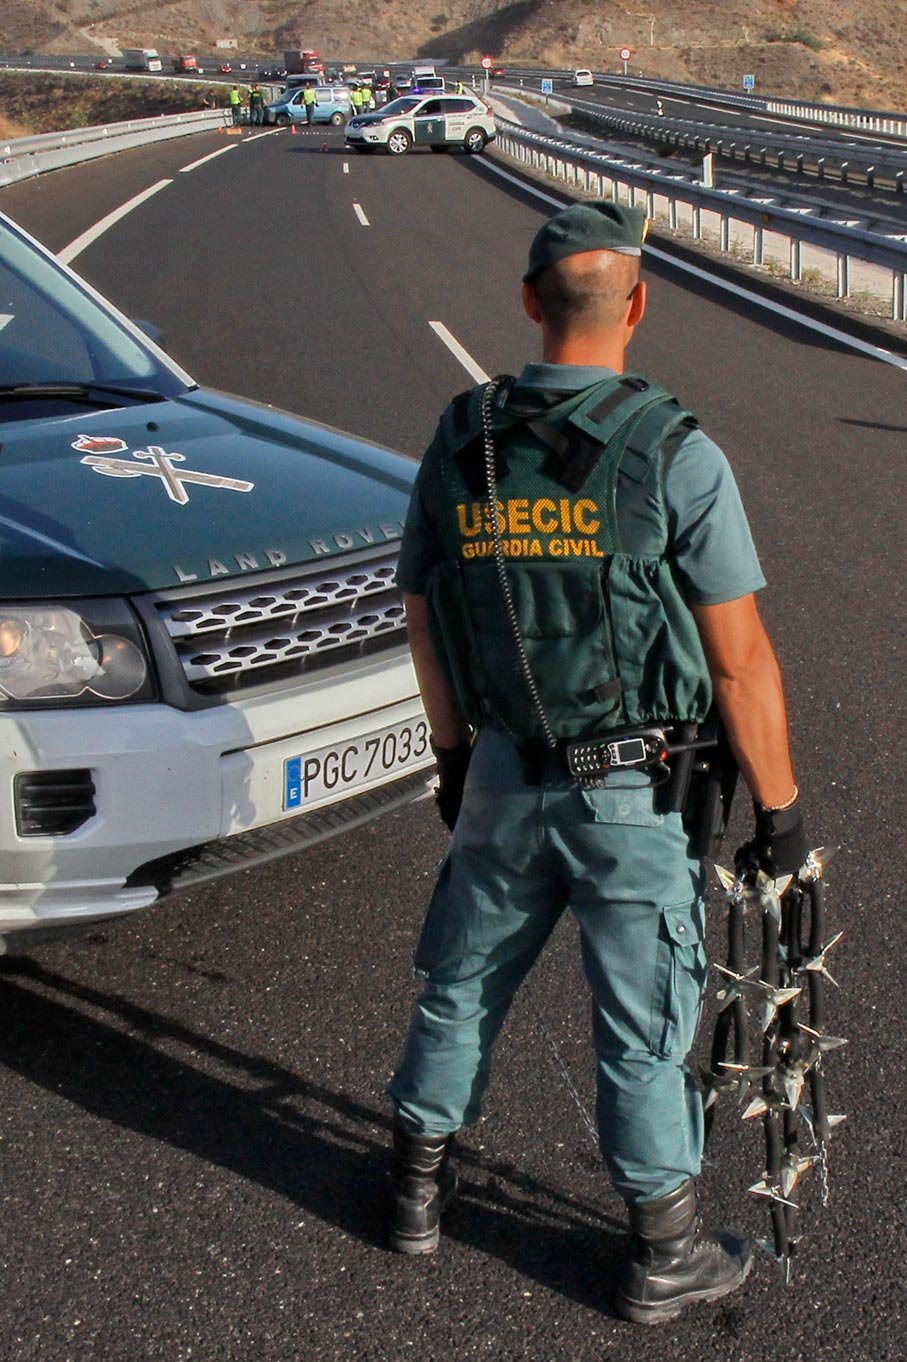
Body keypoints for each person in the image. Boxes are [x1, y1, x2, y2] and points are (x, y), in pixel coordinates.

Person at [386, 200, 809, 1325]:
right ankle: (661, 1250)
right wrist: (781, 812)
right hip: (632, 795)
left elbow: (422, 612)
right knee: (640, 1029)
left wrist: (448, 756)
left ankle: (417, 1195)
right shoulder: (675, 450)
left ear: (529, 302)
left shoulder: (460, 437)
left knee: (460, 988)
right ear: (637, 304)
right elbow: (741, 659)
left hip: (498, 777)